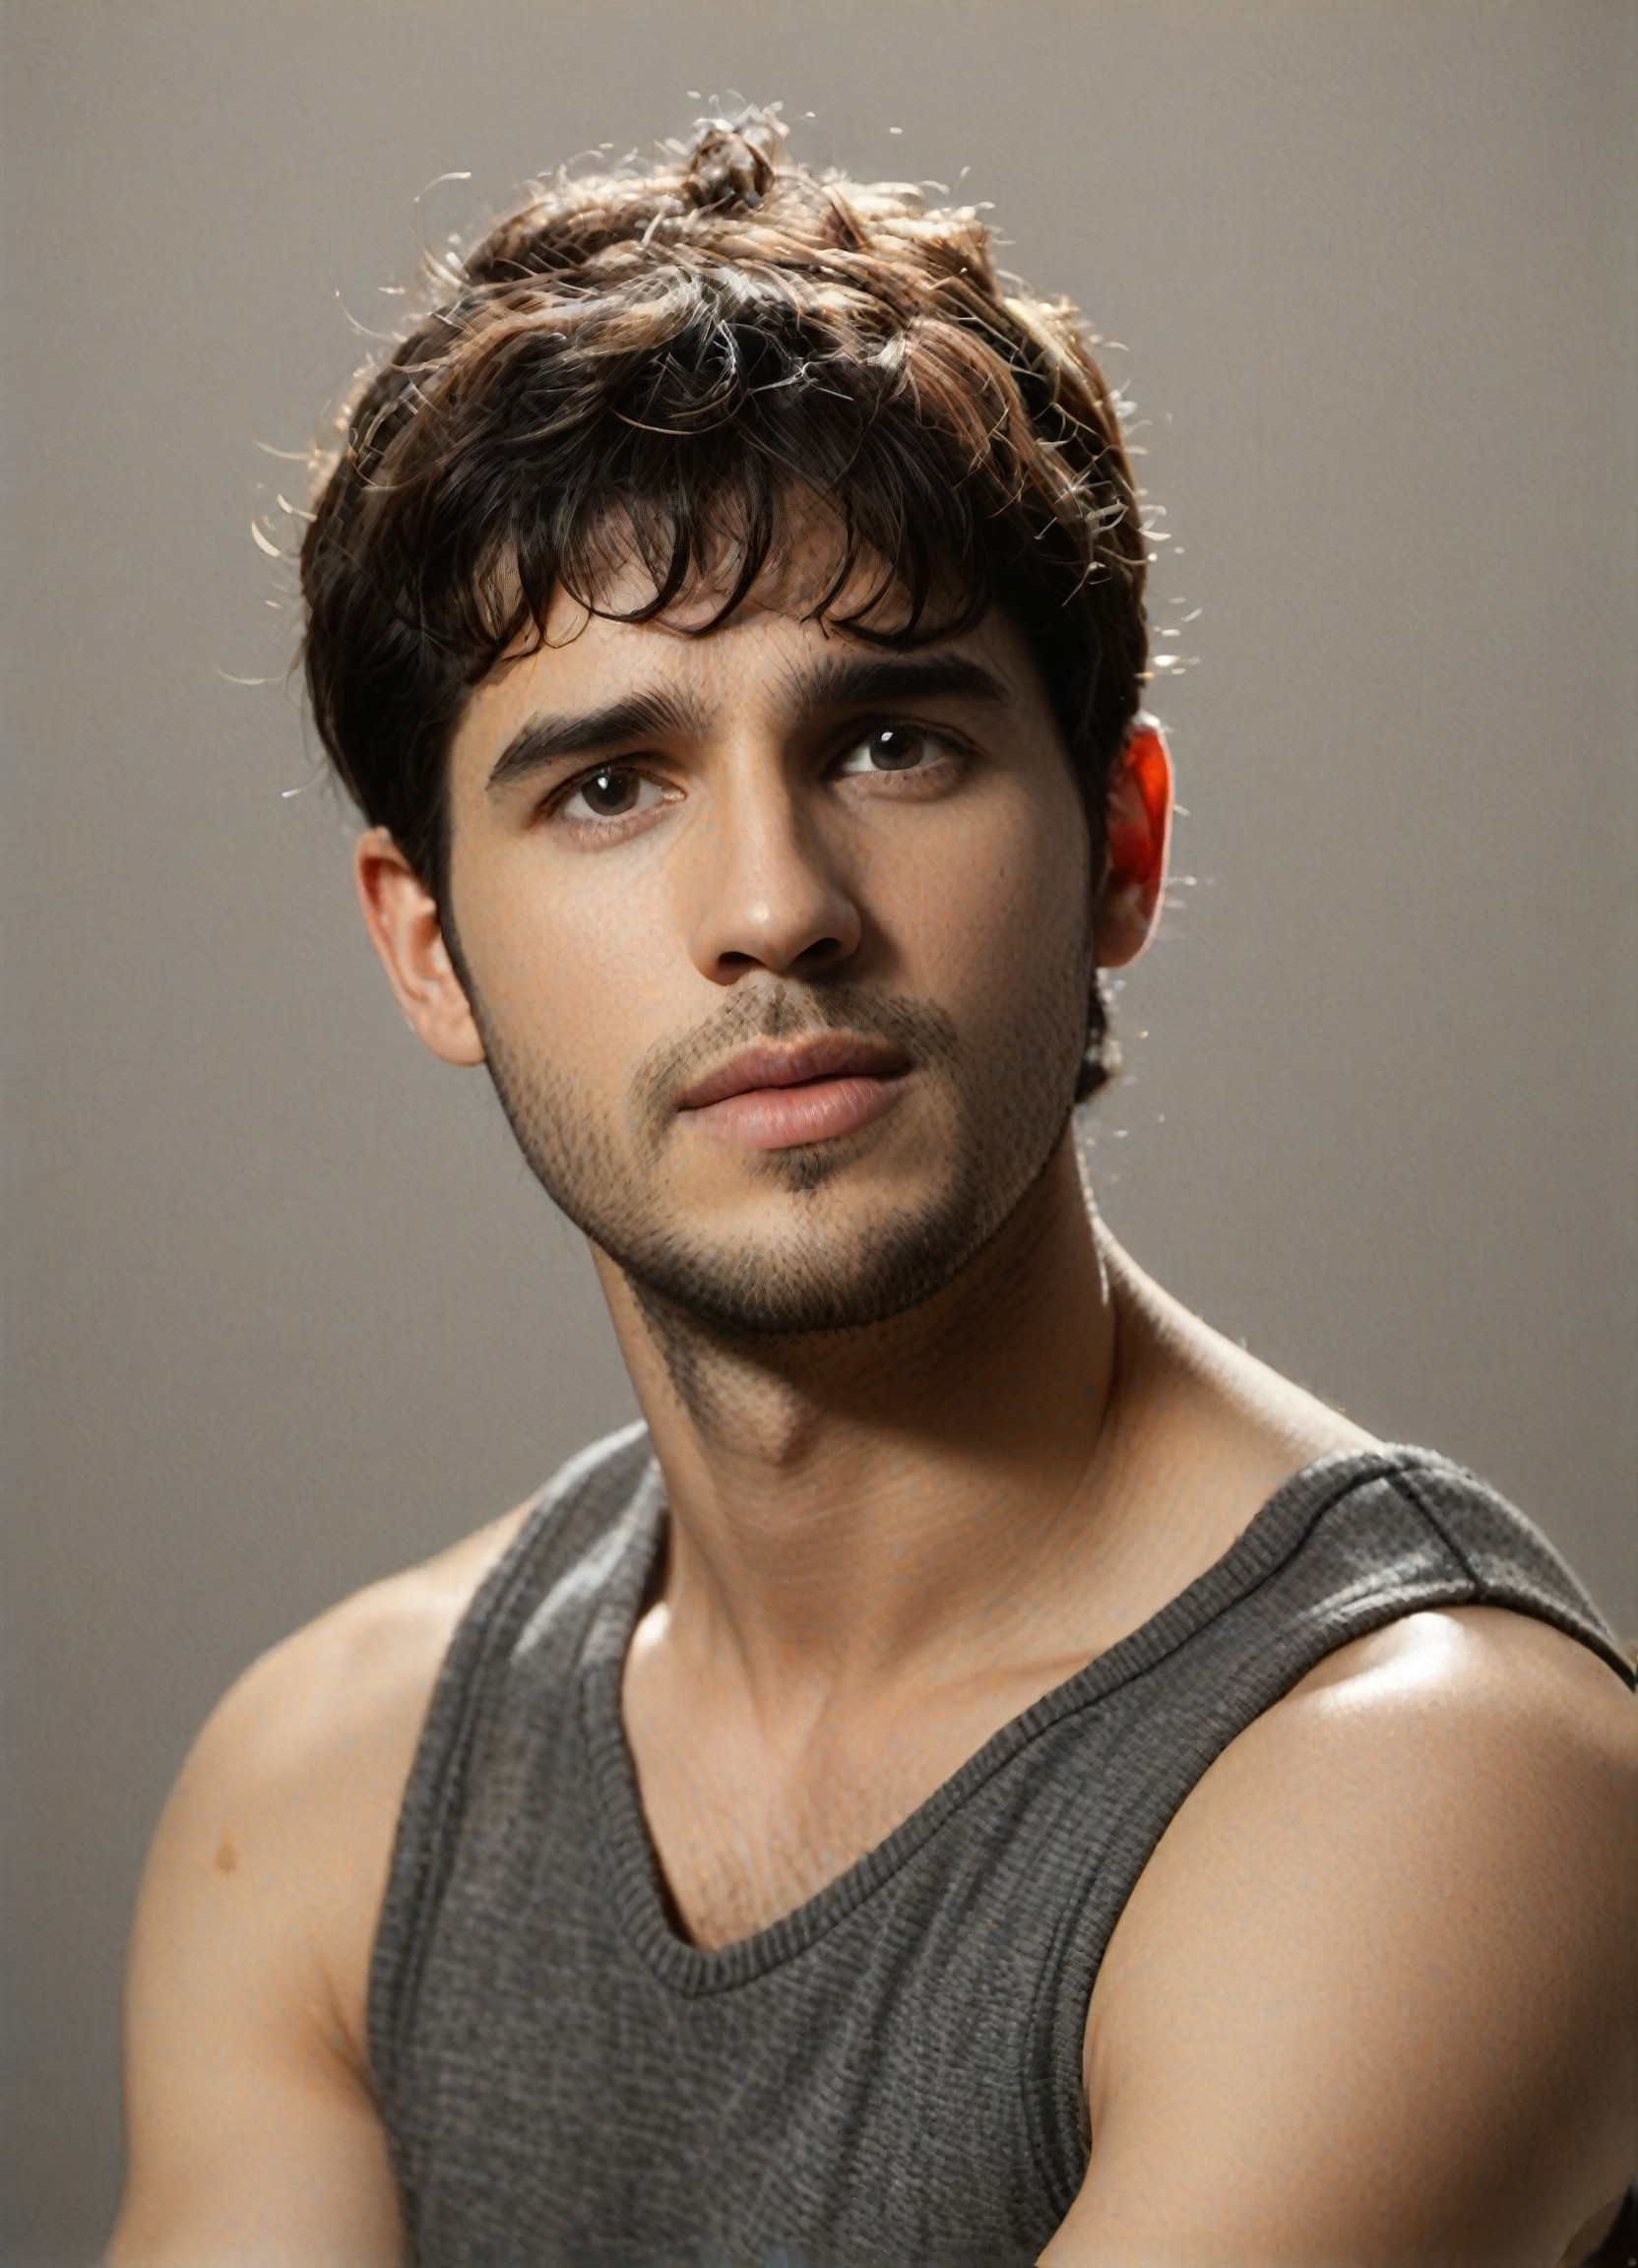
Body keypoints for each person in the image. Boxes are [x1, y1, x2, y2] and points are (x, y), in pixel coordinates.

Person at [109, 112, 1636, 2268]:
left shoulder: (1432, 1784)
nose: (773, 906)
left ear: (1119, 850)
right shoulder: (324, 1797)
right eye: (611, 785)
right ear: (428, 945)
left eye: (892, 743)